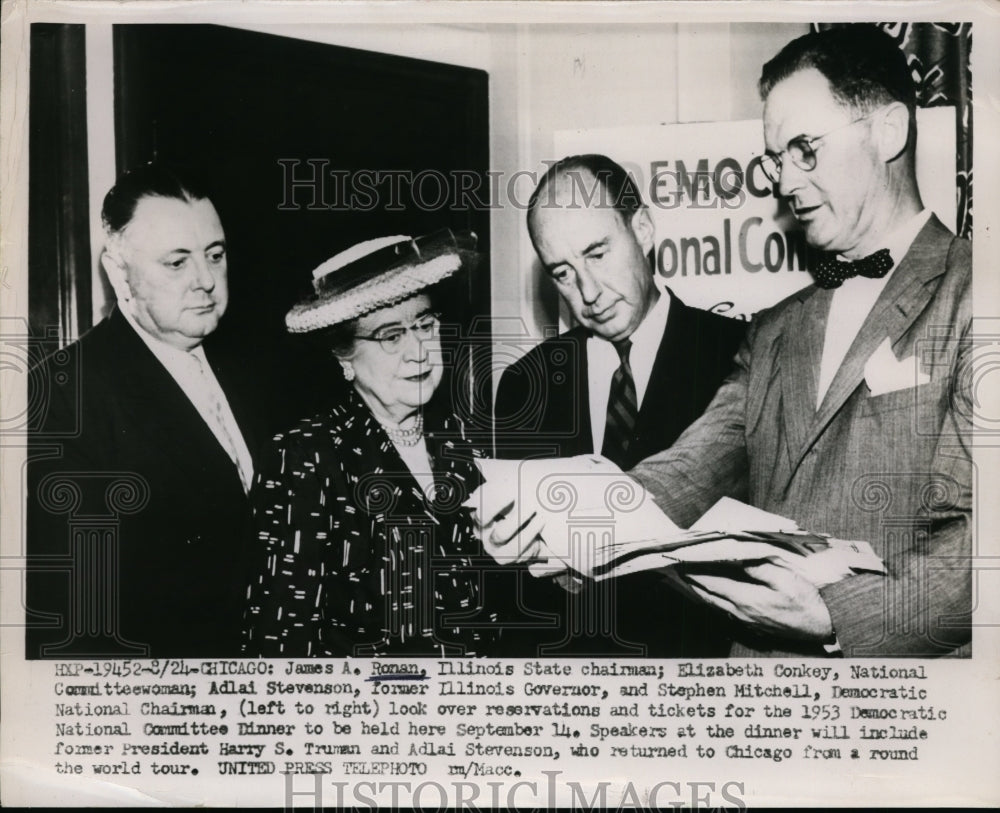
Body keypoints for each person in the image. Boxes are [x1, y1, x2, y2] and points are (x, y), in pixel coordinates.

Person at [482, 25, 972, 658]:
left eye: (803, 149)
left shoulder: (976, 293)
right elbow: (688, 470)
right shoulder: (774, 328)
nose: (782, 182)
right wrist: (565, 526)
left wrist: (834, 616)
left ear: (889, 131)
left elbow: (981, 542)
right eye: (775, 159)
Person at [493, 155, 746, 656]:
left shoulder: (737, 352)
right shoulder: (526, 384)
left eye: (597, 254)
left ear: (643, 229)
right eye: (563, 273)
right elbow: (520, 593)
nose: (588, 292)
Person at [26, 163, 269, 658]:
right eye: (177, 263)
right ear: (119, 274)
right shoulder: (62, 395)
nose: (206, 280)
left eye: (215, 255)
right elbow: (77, 618)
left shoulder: (257, 367)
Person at [243, 229, 497, 657]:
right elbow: (281, 642)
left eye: (425, 325)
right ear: (344, 357)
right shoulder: (305, 458)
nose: (418, 350)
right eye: (391, 336)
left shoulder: (465, 441)